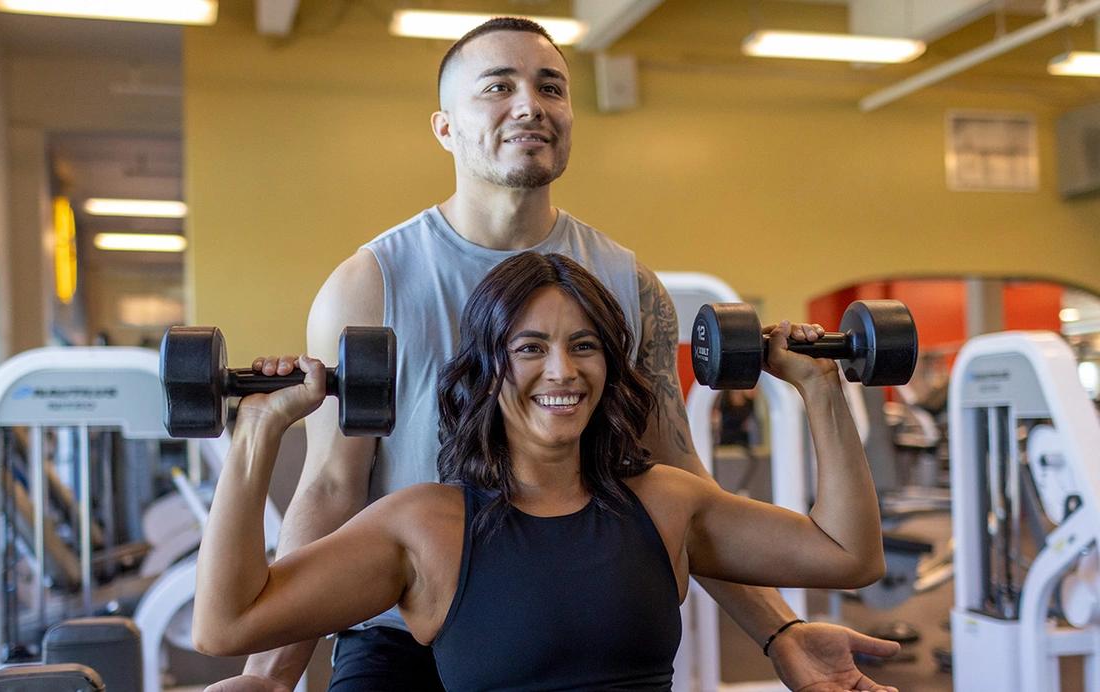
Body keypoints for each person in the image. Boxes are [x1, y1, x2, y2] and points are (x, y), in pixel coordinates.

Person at [211, 16, 902, 691]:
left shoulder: (626, 284)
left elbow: (677, 481)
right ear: (444, 127)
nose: (529, 107)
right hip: (397, 621)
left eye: (550, 87)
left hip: (566, 607)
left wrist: (779, 633)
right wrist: (270, 674)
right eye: (497, 87)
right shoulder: (371, 283)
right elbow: (333, 486)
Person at [194, 252, 890, 692]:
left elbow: (848, 554)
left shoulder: (666, 501)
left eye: (584, 346)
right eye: (530, 348)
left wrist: (821, 389)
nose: (562, 370)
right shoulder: (425, 525)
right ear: (486, 369)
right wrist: (257, 436)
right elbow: (226, 625)